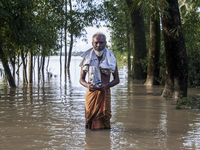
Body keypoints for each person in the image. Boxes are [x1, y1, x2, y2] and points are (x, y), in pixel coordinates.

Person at [79, 32, 120, 130]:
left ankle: (105, 142)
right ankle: (91, 142)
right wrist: (88, 85)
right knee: (90, 118)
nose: (99, 45)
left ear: (105, 43)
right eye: (96, 43)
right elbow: (81, 80)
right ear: (92, 44)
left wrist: (106, 85)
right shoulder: (87, 58)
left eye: (101, 43)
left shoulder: (111, 58)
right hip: (91, 93)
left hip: (105, 93)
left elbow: (117, 79)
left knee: (105, 118)